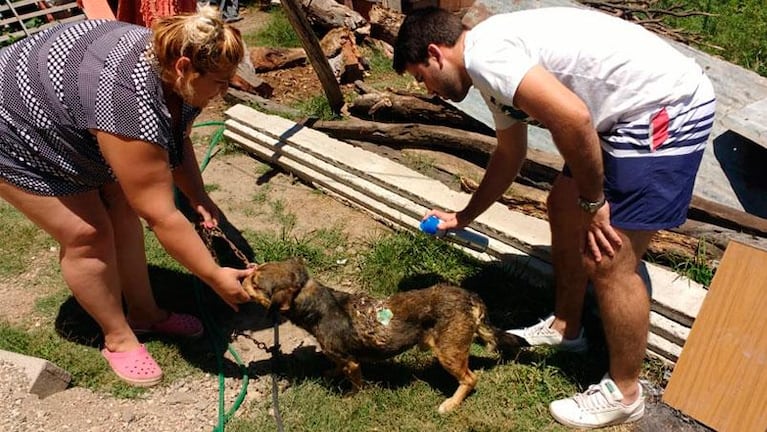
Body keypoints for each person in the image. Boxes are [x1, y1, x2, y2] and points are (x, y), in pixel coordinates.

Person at [393, 6, 715, 429]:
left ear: (435, 53)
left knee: (608, 259)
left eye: (422, 77)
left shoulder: (487, 59)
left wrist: (594, 201)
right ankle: (568, 328)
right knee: (561, 205)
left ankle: (625, 393)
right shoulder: (486, 66)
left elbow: (575, 118)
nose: (429, 89)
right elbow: (511, 155)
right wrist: (464, 216)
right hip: (622, 111)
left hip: (666, 106)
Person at [0, 6, 254, 387]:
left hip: (68, 108)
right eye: (220, 81)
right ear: (185, 66)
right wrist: (214, 276)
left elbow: (174, 138)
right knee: (87, 234)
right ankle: (118, 338)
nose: (226, 88)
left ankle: (146, 313)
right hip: (15, 126)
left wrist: (198, 195)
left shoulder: (174, 75)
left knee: (120, 206)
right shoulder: (126, 101)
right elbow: (161, 214)